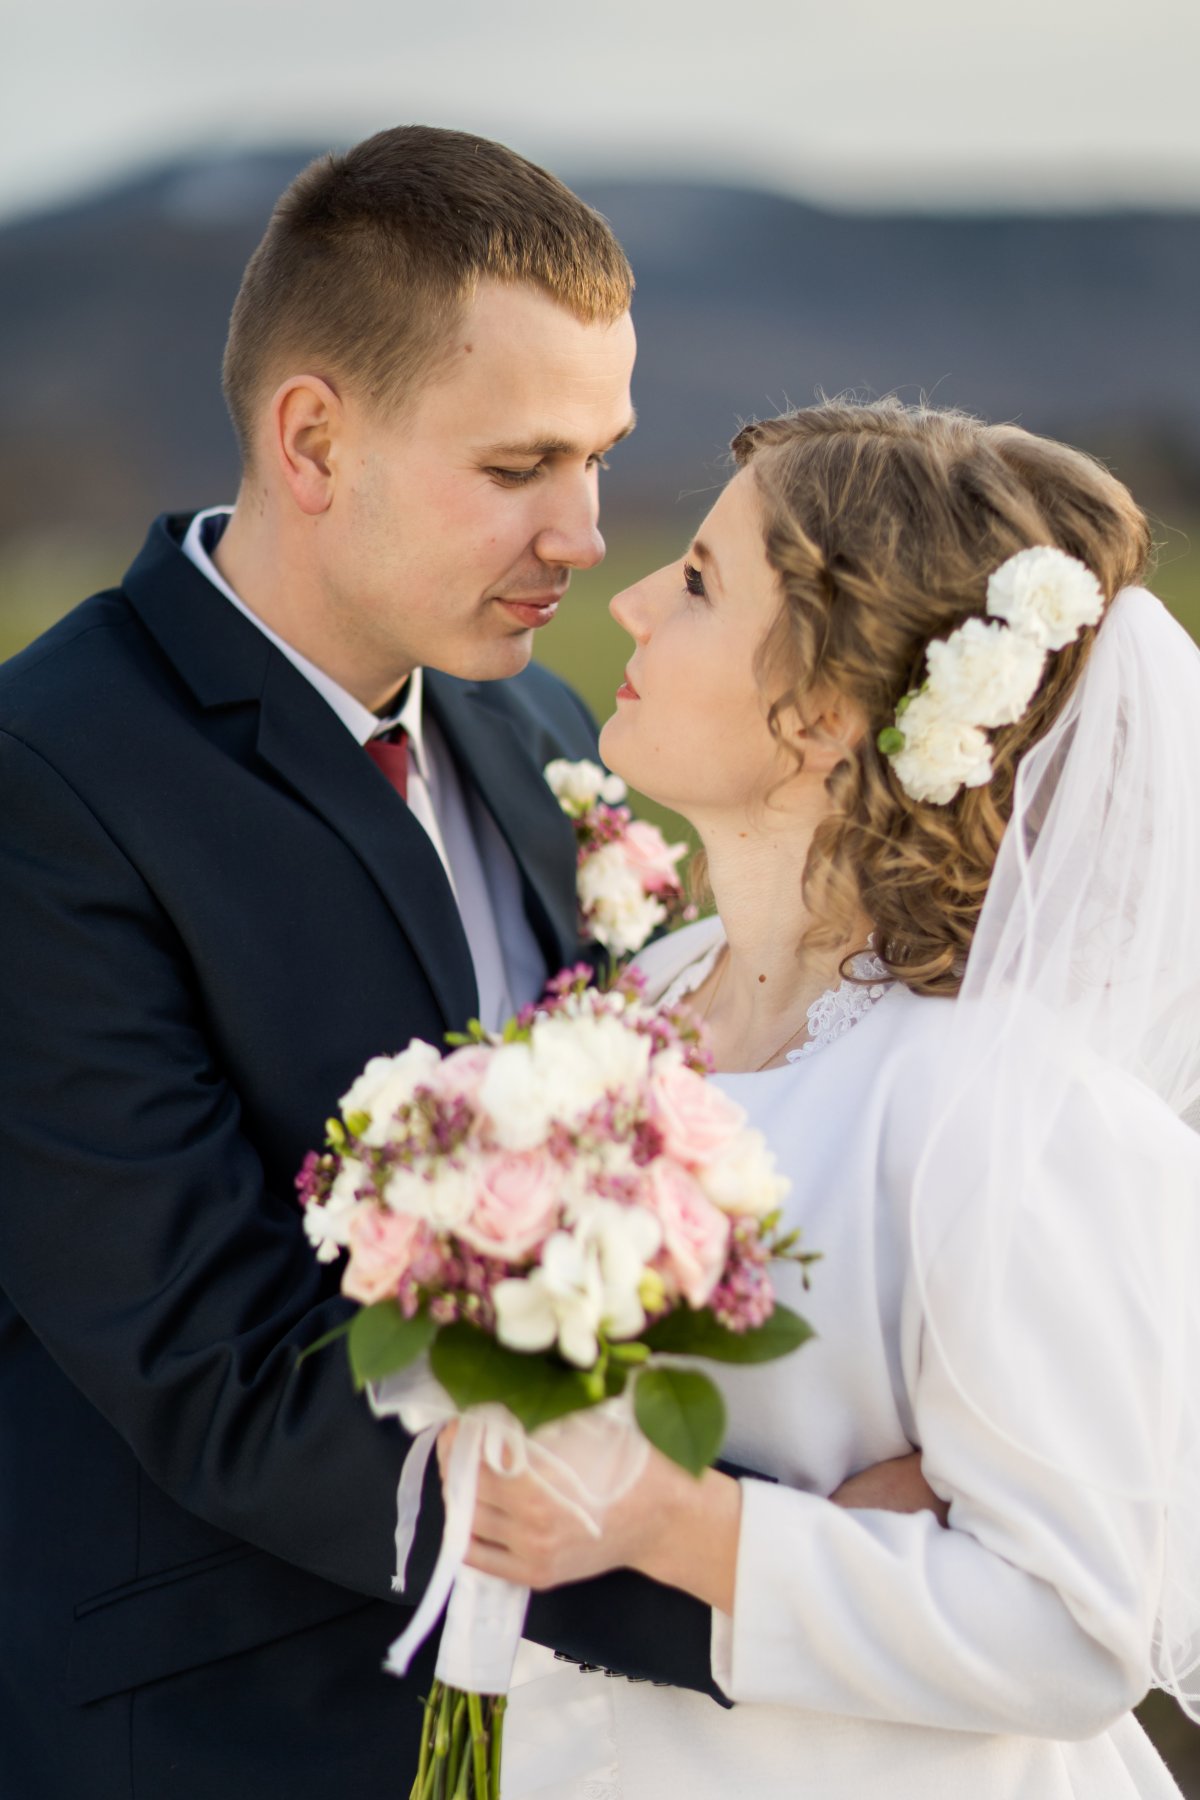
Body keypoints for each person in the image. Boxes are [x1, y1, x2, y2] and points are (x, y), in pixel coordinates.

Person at [0, 123, 703, 1800]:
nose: (586, 534)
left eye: (601, 457)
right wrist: (742, 1570)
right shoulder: (50, 778)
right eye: (521, 466)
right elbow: (210, 1363)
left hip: (563, 1736)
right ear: (314, 439)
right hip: (221, 1729)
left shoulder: (527, 721)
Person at [452, 398, 1200, 1798]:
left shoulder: (996, 1107)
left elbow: (1075, 1627)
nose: (626, 605)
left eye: (696, 585)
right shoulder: (636, 999)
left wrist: (689, 1528)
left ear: (828, 716)